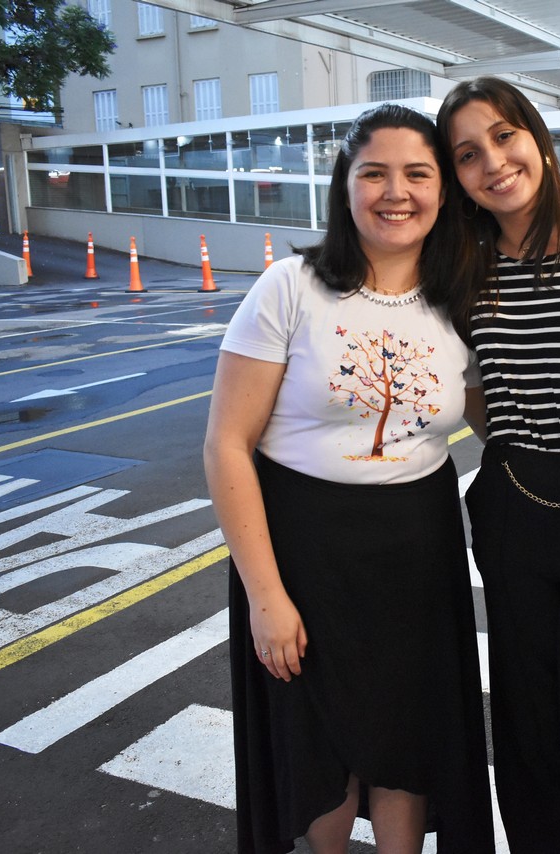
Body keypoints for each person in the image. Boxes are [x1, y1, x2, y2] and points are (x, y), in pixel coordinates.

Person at [204, 103, 493, 854]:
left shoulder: (463, 299)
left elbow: (502, 423)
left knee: (408, 737)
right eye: (375, 174)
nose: (396, 193)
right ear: (345, 185)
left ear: (444, 191)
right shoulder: (289, 287)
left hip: (418, 551)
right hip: (303, 553)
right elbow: (227, 445)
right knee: (315, 746)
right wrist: (265, 597)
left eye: (418, 174)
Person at [437, 77, 560, 853]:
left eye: (504, 136)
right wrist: (523, 447)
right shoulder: (468, 265)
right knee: (526, 712)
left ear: (539, 141)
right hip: (513, 503)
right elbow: (473, 389)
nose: (492, 163)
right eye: (467, 154)